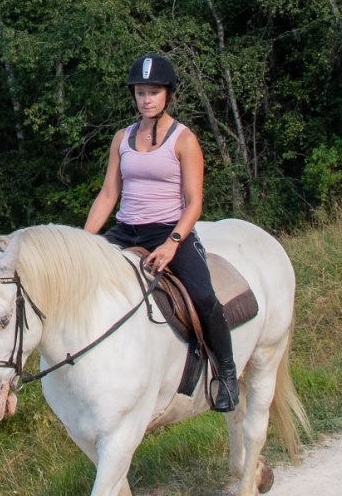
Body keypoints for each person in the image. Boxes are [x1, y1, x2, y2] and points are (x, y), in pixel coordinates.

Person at [82, 52, 238, 411]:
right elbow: (109, 194)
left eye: (153, 92)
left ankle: (226, 375)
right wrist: (85, 241)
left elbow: (194, 202)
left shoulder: (184, 140)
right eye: (140, 92)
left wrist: (172, 243)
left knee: (202, 297)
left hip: (169, 231)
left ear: (168, 94)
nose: (146, 99)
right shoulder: (122, 138)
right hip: (125, 232)